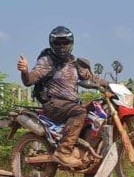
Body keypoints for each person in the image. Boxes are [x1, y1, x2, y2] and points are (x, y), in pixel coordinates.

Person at [18, 26, 108, 168]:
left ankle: (86, 157)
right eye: (58, 43)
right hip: (53, 104)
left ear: (71, 44)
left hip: (69, 105)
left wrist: (113, 86)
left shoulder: (74, 63)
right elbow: (29, 80)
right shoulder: (47, 61)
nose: (61, 46)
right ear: (52, 44)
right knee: (79, 112)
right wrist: (24, 71)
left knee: (96, 110)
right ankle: (63, 152)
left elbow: (92, 78)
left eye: (65, 42)